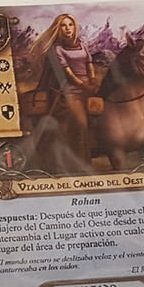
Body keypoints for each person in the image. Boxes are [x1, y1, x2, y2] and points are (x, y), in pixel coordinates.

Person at [28, 14, 97, 171]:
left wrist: (92, 80)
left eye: (70, 25)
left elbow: (89, 63)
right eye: (63, 25)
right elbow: (67, 72)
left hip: (88, 87)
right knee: (81, 122)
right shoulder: (57, 49)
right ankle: (80, 163)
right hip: (70, 91)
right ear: (58, 28)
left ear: (75, 27)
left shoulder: (82, 45)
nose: (67, 28)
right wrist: (84, 86)